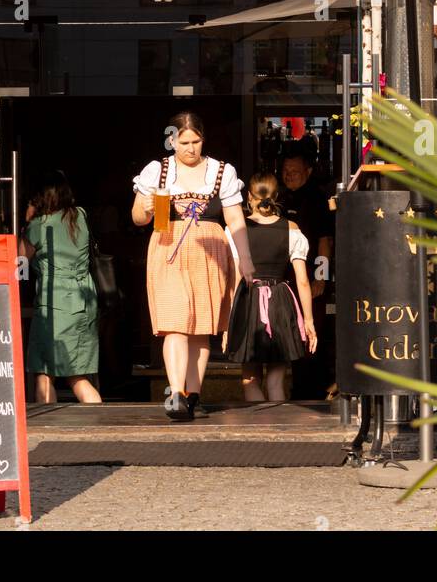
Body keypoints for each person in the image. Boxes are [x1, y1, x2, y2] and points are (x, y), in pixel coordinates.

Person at [132, 111, 255, 422]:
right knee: (175, 322)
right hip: (167, 245)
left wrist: (246, 260)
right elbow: (138, 218)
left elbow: (235, 219)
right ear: (172, 140)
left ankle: (192, 393)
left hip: (209, 249)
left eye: (196, 141)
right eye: (183, 142)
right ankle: (175, 392)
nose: (190, 148)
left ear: (203, 139)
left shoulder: (221, 171)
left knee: (201, 327)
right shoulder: (157, 171)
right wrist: (144, 209)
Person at [224, 173, 316, 402]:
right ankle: (279, 427)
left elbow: (235, 278)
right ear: (276, 196)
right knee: (276, 381)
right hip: (280, 302)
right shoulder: (292, 229)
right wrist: (309, 321)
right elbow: (303, 281)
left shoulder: (237, 229)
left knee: (250, 380)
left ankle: (256, 431)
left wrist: (227, 324)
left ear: (249, 197)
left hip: (248, 301)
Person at [21, 172, 102, 404]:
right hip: (84, 300)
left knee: (45, 374)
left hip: (54, 303)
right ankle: (100, 424)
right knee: (78, 375)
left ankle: (50, 425)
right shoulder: (80, 216)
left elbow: (19, 265)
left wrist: (27, 222)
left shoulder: (39, 225)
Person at [278, 146, 332, 398]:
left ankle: (312, 392)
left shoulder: (317, 198)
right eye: (286, 171)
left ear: (308, 172)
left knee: (311, 336)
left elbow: (325, 240)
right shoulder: (280, 197)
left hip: (310, 278)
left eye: (295, 171)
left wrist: (321, 276)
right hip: (283, 279)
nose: (289, 175)